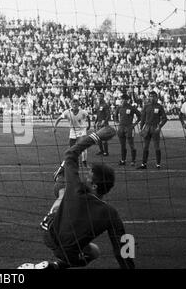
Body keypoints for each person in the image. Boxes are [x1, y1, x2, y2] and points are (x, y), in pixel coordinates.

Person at [20, 126, 135, 269]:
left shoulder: (76, 189)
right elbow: (122, 245)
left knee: (62, 194)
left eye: (88, 175)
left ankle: (51, 267)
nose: (85, 176)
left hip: (49, 236)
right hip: (69, 253)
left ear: (94, 186)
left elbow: (70, 153)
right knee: (94, 252)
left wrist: (97, 136)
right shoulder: (111, 214)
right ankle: (55, 266)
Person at [54, 99, 90, 167]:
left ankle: (84, 162)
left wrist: (89, 126)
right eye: (73, 104)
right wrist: (55, 127)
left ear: (78, 105)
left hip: (81, 130)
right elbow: (59, 119)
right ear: (71, 105)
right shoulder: (67, 112)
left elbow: (88, 116)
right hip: (73, 130)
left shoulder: (83, 112)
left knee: (82, 146)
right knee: (71, 147)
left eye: (76, 104)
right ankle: (71, 160)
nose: (75, 106)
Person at [137, 91, 168, 169]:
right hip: (147, 127)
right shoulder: (146, 106)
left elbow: (165, 118)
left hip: (155, 128)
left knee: (156, 146)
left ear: (156, 97)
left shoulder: (160, 106)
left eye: (153, 96)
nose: (152, 98)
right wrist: (141, 128)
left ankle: (158, 164)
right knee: (145, 147)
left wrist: (159, 126)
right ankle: (144, 164)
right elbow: (142, 118)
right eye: (150, 96)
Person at [114, 94, 141, 166]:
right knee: (122, 145)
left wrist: (134, 124)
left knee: (131, 145)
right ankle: (123, 160)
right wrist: (117, 121)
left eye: (123, 99)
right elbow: (115, 115)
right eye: (121, 99)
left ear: (127, 100)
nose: (122, 100)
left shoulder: (131, 108)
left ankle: (133, 161)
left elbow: (140, 115)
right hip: (121, 128)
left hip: (129, 128)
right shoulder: (119, 107)